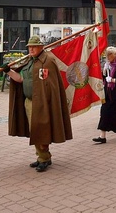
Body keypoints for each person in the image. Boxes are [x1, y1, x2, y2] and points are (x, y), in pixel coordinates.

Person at [5, 35, 72, 171]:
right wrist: (9, 72)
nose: (31, 49)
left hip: (42, 104)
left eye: (34, 46)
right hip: (29, 102)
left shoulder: (47, 61)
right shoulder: (30, 61)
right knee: (35, 130)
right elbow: (21, 79)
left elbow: (50, 85)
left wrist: (46, 102)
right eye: (29, 47)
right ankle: (42, 156)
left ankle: (44, 158)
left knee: (41, 130)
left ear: (41, 47)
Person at [93, 47, 116, 143]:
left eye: (110, 54)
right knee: (105, 112)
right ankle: (102, 136)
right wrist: (104, 72)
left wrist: (114, 80)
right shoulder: (107, 64)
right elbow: (104, 78)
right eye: (107, 55)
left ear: (115, 55)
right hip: (108, 92)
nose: (108, 57)